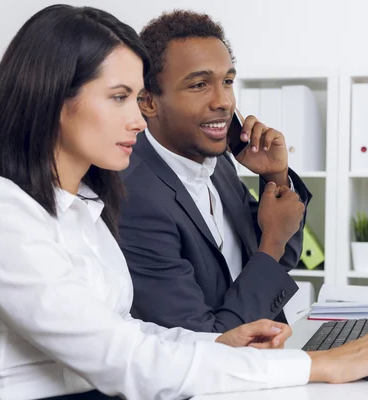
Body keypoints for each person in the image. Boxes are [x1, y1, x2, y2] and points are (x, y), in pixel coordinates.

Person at [0, 4, 368, 400]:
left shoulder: (85, 204)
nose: (137, 119)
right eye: (120, 98)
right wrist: (320, 365)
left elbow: (126, 332)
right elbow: (124, 359)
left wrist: (218, 346)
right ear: (51, 97)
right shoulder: (0, 216)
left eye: (136, 98)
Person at [117, 9, 311, 333]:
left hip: (262, 361)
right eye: (199, 85)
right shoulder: (135, 198)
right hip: (212, 375)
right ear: (148, 102)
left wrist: (275, 178)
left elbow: (279, 258)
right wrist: (273, 243)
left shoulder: (216, 163)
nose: (223, 101)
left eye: (228, 81)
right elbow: (205, 343)